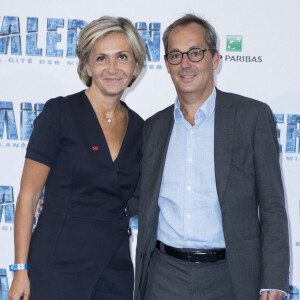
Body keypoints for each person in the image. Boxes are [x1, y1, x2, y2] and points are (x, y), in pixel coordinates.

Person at [133, 14, 289, 300]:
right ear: (167, 65)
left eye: (195, 53)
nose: (185, 64)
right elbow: (135, 196)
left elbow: (272, 206)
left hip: (230, 276)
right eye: (176, 56)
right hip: (164, 276)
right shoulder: (153, 128)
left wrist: (275, 278)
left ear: (215, 59)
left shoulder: (252, 117)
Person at [8, 16, 145, 300]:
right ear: (87, 65)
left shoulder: (140, 127)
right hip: (58, 259)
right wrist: (20, 269)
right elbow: (29, 196)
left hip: (114, 263)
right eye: (101, 58)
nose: (112, 68)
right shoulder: (60, 113)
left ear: (135, 66)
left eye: (122, 57)